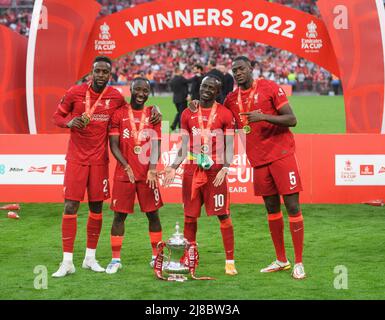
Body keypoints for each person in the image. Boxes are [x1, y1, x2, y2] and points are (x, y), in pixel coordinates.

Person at [52, 56, 161, 278]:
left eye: (105, 72)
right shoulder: (75, 92)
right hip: (76, 159)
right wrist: (69, 123)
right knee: (71, 206)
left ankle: (90, 258)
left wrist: (155, 108)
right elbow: (57, 116)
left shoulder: (115, 97)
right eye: (97, 71)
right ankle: (67, 262)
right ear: (91, 72)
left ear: (110, 75)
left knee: (96, 209)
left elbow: (135, 108)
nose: (101, 75)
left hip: (100, 161)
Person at [225, 56, 305, 280]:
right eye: (234, 70)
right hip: (258, 160)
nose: (238, 73)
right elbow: (220, 117)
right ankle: (281, 259)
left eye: (241, 68)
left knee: (292, 206)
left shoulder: (270, 87)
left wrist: (264, 117)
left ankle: (299, 262)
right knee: (271, 209)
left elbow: (292, 119)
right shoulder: (231, 99)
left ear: (251, 68)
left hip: (282, 155)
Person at [163, 75, 238, 276]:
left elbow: (230, 145)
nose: (206, 90)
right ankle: (190, 256)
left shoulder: (225, 114)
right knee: (189, 217)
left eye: (211, 87)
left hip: (216, 172)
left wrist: (226, 167)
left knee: (223, 215)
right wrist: (173, 166)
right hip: (192, 170)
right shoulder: (188, 113)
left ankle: (230, 260)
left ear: (217, 92)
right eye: (204, 86)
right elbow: (184, 144)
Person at [105, 77, 163, 274]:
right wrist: (125, 165)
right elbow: (113, 144)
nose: (141, 94)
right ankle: (115, 259)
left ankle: (156, 257)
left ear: (149, 93)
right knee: (119, 216)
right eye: (137, 89)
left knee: (153, 215)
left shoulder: (154, 115)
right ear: (130, 90)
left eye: (145, 91)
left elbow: (156, 145)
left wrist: (153, 168)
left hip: (148, 175)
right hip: (125, 174)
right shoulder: (118, 114)